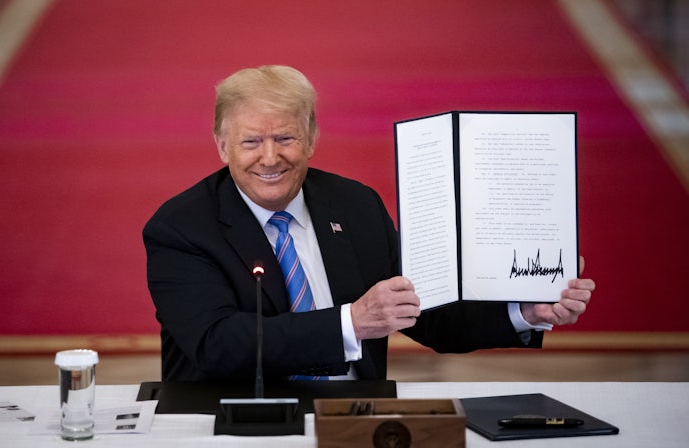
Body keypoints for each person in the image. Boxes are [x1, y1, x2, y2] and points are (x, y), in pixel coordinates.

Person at [143, 65, 595, 382]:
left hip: (355, 418)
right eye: (250, 142)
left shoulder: (355, 205)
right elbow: (217, 343)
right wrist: (351, 323)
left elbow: (427, 315)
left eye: (285, 138)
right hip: (234, 421)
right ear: (222, 146)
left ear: (313, 138)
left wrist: (523, 312)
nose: (270, 157)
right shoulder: (181, 227)